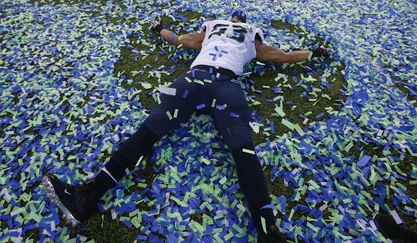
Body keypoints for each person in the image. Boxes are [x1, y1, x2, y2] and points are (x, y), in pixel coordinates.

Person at [42, 10, 329, 242]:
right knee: (243, 151)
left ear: (229, 19)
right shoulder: (251, 34)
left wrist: (159, 30)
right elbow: (278, 56)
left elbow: (179, 39)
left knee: (148, 132)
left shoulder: (214, 27)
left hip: (192, 81)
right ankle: (268, 232)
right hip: (226, 86)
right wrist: (312, 53)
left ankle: (88, 196)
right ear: (243, 22)